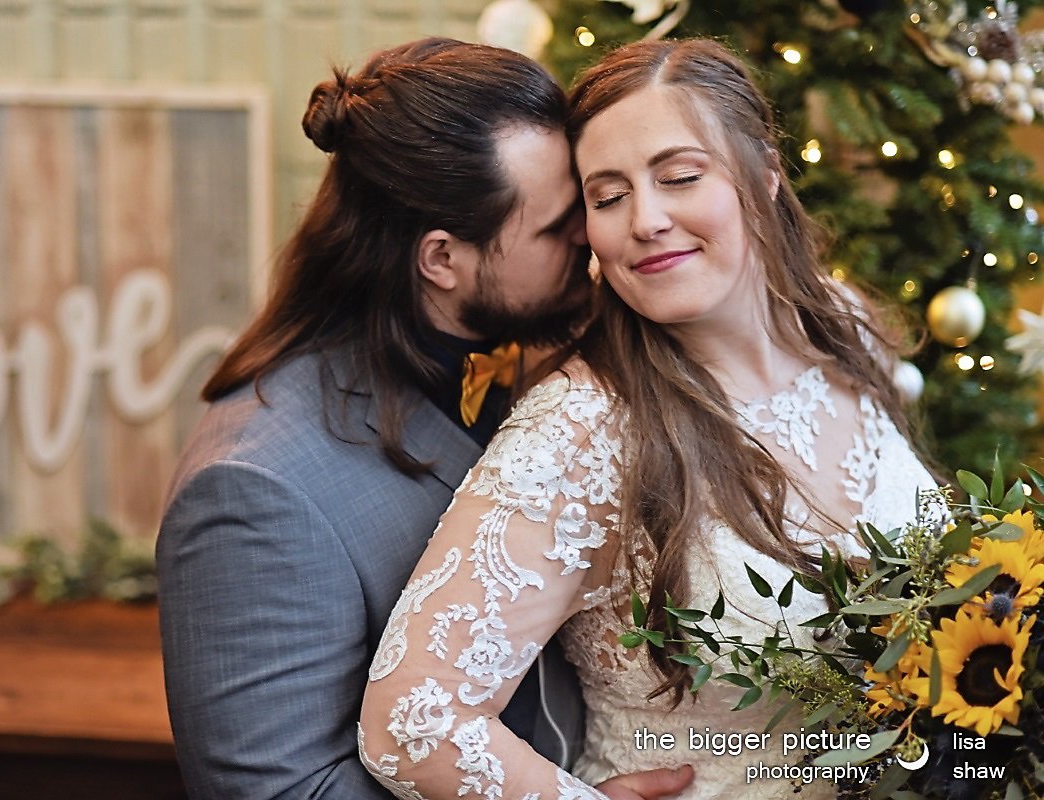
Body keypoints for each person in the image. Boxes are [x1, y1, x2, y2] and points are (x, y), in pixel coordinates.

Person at [358, 37, 938, 800]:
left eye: (680, 177)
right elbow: (412, 719)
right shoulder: (582, 431)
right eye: (608, 195)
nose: (648, 219)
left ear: (763, 175)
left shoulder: (847, 326)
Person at [156, 37, 688, 800]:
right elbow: (283, 793)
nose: (592, 237)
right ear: (442, 259)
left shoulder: (544, 353)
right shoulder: (255, 489)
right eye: (556, 225)